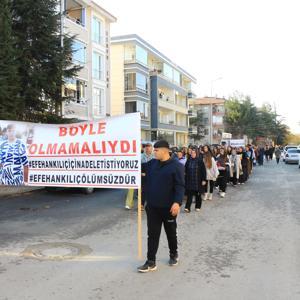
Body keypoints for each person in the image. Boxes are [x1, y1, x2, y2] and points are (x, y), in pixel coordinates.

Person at [138, 140, 185, 273]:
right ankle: (151, 261)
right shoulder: (152, 164)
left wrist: (177, 202)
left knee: (170, 232)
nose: (154, 152)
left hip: (168, 207)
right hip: (152, 207)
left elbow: (180, 186)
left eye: (156, 150)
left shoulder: (177, 166)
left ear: (164, 150)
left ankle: (173, 254)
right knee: (152, 234)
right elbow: (137, 167)